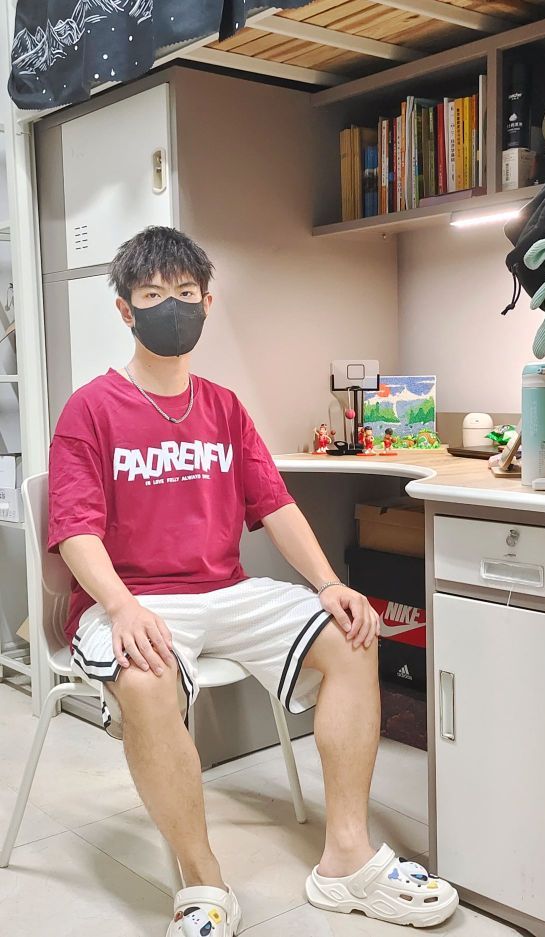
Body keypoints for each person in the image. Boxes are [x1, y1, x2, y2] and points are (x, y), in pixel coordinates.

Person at [48, 226, 458, 937]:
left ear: (207, 303)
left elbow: (275, 505)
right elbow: (76, 529)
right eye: (152, 294)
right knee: (144, 679)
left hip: (225, 590)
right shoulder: (91, 408)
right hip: (132, 598)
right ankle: (202, 883)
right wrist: (119, 605)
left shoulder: (224, 406)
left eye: (185, 293)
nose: (171, 307)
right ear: (124, 309)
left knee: (352, 634)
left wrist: (328, 583)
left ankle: (346, 858)